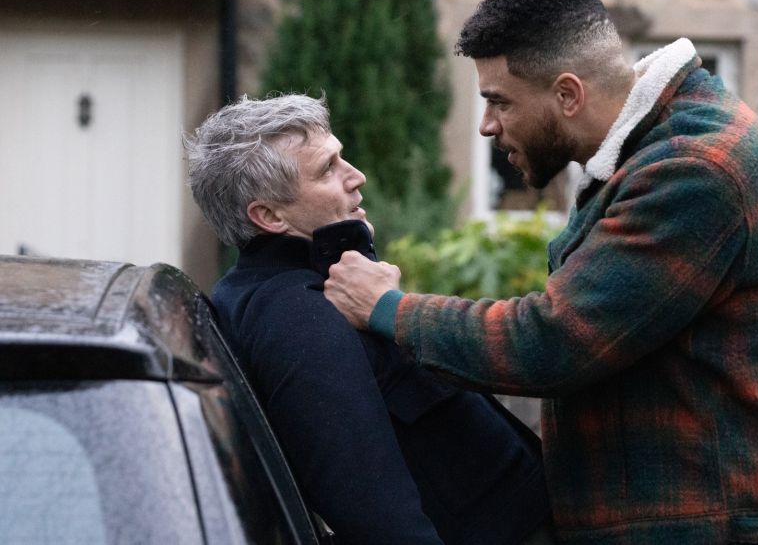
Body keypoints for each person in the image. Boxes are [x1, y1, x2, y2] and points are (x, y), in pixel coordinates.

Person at [324, 0, 758, 544]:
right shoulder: (655, 153)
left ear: (567, 94)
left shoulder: (696, 172)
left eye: (499, 102)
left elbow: (553, 342)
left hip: (756, 530)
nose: (485, 126)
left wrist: (387, 307)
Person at [184, 94, 551, 545]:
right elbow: (376, 514)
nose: (357, 177)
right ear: (269, 216)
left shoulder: (296, 288)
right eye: (327, 169)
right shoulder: (300, 316)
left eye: (342, 158)